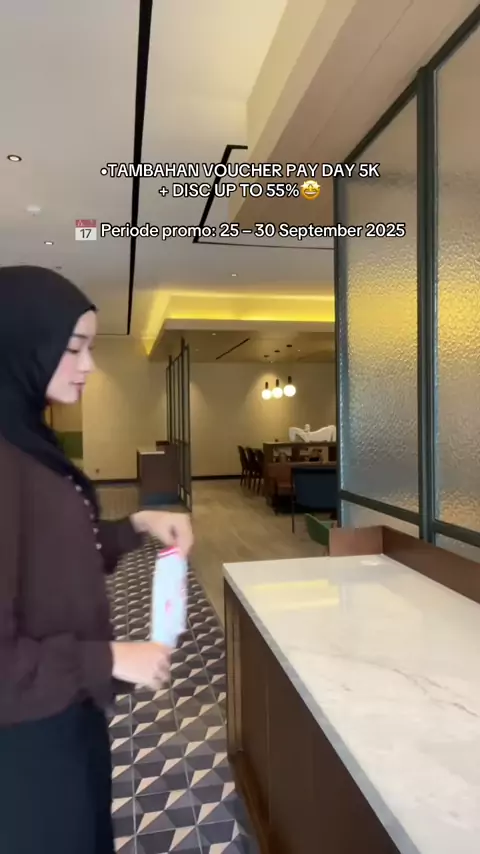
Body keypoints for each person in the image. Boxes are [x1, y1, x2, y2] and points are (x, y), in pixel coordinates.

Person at [0, 265, 194, 854]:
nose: (87, 364)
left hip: (63, 706)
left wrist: (136, 526)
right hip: (23, 739)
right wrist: (107, 657)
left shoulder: (27, 441)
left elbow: (52, 556)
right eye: (73, 348)